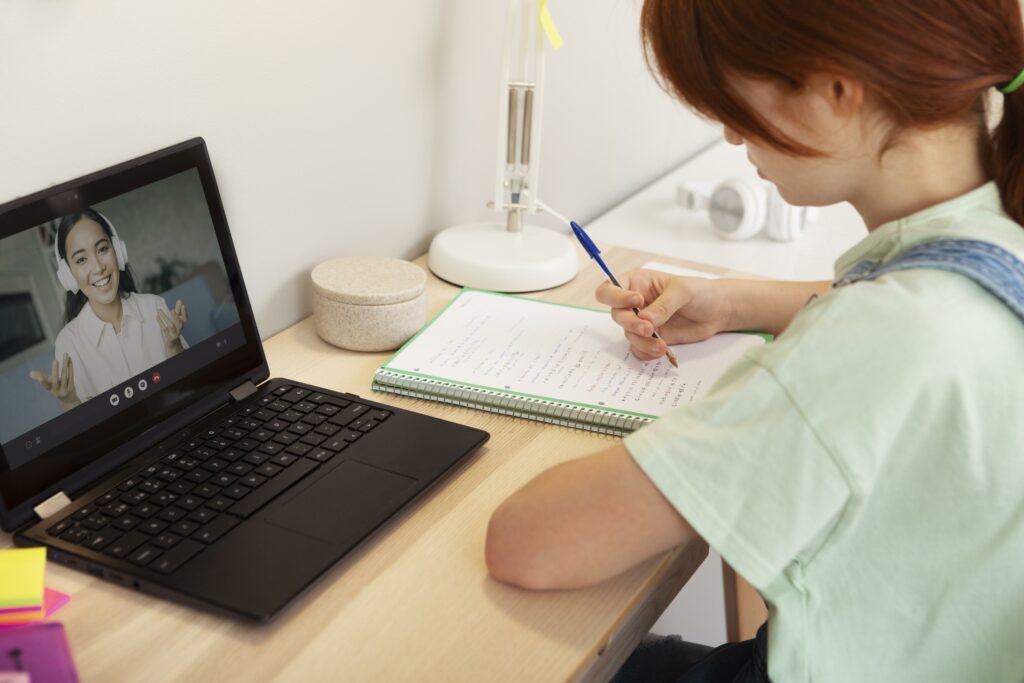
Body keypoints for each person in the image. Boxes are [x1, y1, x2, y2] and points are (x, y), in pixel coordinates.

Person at [485, 1, 1024, 681]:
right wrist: (735, 301)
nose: (730, 136)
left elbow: (528, 544)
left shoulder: (865, 347)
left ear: (835, 90)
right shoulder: (1000, 223)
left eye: (730, 100)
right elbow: (934, 308)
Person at [29, 208, 189, 411]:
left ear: (118, 252)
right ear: (68, 276)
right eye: (81, 260)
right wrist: (69, 402)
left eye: (102, 249)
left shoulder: (154, 307)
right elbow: (88, 436)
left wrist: (174, 347)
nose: (98, 268)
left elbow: (191, 389)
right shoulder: (68, 343)